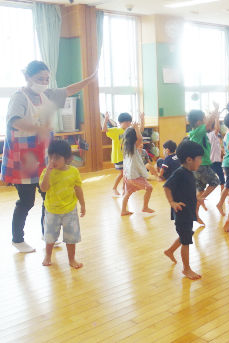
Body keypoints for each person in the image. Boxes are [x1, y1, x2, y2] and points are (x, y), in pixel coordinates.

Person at [2, 60, 96, 253]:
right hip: (24, 160)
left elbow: (68, 90)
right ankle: (17, 239)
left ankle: (49, 234)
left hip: (44, 159)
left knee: (48, 197)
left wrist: (89, 80)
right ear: (27, 77)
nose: (44, 82)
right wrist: (39, 128)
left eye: (46, 79)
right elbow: (15, 121)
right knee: (26, 201)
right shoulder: (19, 98)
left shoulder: (46, 95)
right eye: (39, 79)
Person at [39, 140, 85, 268]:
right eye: (50, 157)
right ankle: (47, 256)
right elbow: (43, 188)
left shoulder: (73, 171)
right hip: (52, 210)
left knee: (71, 238)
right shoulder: (46, 171)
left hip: (70, 210)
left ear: (67, 158)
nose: (53, 160)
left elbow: (78, 189)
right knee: (50, 237)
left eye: (57, 158)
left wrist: (83, 204)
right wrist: (48, 172)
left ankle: (72, 259)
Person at [163, 140, 205, 280]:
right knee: (186, 240)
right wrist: (172, 202)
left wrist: (197, 199)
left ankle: (169, 251)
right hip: (182, 213)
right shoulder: (180, 173)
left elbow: (186, 190)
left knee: (185, 235)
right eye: (199, 159)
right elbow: (167, 186)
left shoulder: (188, 172)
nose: (200, 162)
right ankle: (186, 269)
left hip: (188, 212)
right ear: (189, 159)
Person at [187, 109, 221, 224]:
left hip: (200, 166)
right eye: (204, 118)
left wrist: (215, 113)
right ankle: (200, 200)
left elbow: (210, 123)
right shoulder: (198, 132)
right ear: (198, 122)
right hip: (201, 166)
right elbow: (208, 123)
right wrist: (214, 110)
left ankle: (195, 214)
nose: (206, 120)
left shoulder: (198, 132)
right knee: (215, 182)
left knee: (200, 190)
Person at [121, 124, 154, 216]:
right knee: (149, 188)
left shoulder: (126, 148)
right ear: (134, 138)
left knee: (128, 193)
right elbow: (140, 138)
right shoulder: (133, 148)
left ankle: (123, 210)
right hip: (134, 176)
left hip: (128, 176)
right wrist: (136, 127)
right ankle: (145, 207)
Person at [102, 112, 133, 196]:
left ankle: (124, 188)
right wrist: (106, 119)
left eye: (129, 122)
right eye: (125, 122)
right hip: (118, 157)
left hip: (126, 156)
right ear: (120, 122)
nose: (128, 124)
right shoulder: (116, 130)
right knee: (122, 173)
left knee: (125, 174)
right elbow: (105, 130)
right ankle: (114, 188)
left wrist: (141, 120)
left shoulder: (129, 131)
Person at [207, 105, 225, 191]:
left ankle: (223, 192)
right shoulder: (211, 135)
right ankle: (223, 192)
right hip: (213, 161)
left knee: (221, 177)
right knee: (220, 178)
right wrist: (217, 117)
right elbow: (217, 128)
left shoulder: (213, 135)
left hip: (214, 161)